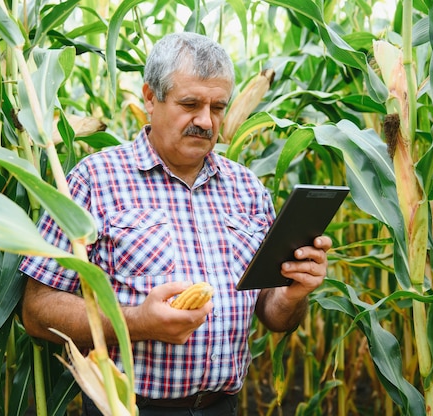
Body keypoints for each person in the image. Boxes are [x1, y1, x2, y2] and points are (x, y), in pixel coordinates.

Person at [20, 32, 332, 416]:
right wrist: (136, 322)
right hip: (127, 406)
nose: (205, 121)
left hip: (222, 406)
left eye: (218, 107)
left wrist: (293, 294)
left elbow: (273, 314)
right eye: (190, 104)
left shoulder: (248, 188)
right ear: (151, 97)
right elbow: (37, 310)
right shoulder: (93, 180)